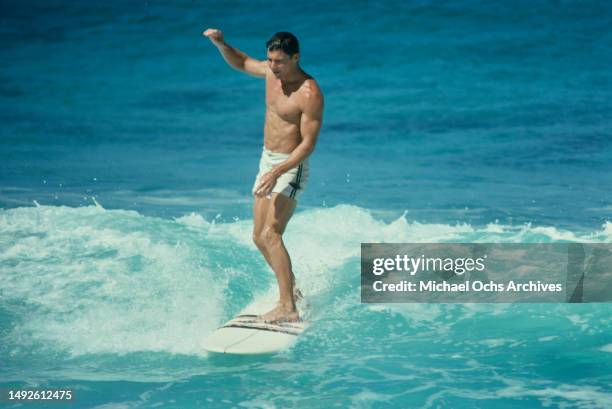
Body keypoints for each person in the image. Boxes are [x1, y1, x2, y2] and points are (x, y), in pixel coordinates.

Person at [203, 29, 324, 323]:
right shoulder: (271, 75)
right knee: (258, 236)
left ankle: (288, 308)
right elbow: (242, 62)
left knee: (272, 233)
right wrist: (220, 44)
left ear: (296, 57)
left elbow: (308, 144)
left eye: (280, 61)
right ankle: (291, 293)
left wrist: (279, 171)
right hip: (267, 161)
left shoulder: (309, 93)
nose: (273, 66)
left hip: (290, 165)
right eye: (271, 60)